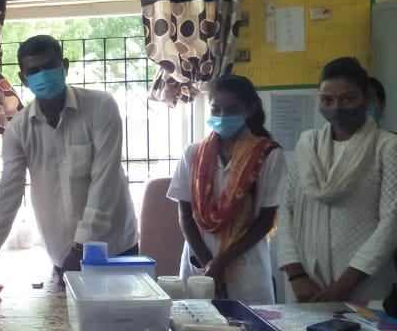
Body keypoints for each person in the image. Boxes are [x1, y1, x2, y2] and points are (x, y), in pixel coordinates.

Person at [0, 35, 138, 283]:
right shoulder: (18, 129)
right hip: (62, 253)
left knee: (125, 308)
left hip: (114, 246)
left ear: (65, 66)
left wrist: (82, 245)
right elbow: (9, 189)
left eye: (50, 66)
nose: (43, 75)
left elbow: (105, 179)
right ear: (23, 79)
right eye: (34, 71)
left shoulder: (100, 107)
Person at [276, 57, 397, 302]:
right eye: (327, 100)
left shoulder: (387, 146)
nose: (336, 108)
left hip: (363, 286)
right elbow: (287, 211)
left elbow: (392, 221)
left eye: (347, 98)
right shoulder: (306, 145)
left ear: (366, 98)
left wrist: (345, 284)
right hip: (305, 286)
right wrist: (296, 275)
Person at [167, 75, 286, 303]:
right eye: (216, 109)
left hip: (246, 265)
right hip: (199, 261)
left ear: (249, 110)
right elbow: (185, 214)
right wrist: (208, 264)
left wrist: (221, 262)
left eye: (232, 110)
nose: (222, 117)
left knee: (248, 322)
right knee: (195, 321)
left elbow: (265, 221)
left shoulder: (269, 155)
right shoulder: (192, 154)